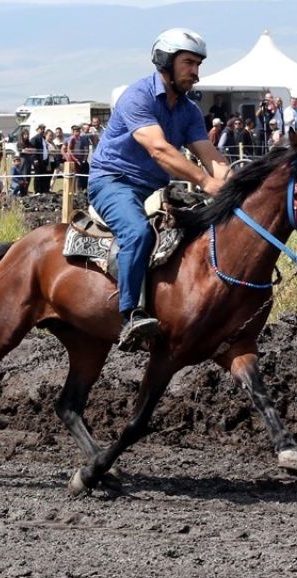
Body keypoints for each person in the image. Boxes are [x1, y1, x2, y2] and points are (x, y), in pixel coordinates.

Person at [87, 28, 229, 351]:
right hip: (113, 182)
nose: (196, 72)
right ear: (165, 61)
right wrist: (207, 183)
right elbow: (159, 150)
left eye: (198, 65)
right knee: (137, 233)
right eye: (189, 63)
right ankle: (131, 316)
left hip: (154, 188)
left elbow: (209, 155)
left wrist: (232, 184)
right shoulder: (137, 97)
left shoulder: (190, 111)